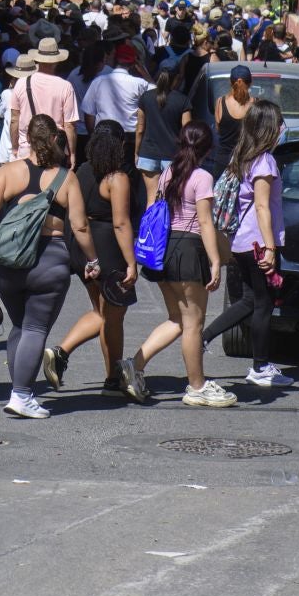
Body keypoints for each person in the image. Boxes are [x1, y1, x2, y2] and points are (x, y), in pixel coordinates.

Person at [0, 114, 99, 419]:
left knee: (20, 326)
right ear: (54, 140)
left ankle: (20, 390)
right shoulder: (67, 178)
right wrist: (93, 260)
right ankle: (22, 394)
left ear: (26, 139)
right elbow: (80, 227)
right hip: (51, 261)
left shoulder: (9, 172)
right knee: (36, 328)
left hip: (10, 263)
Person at [120, 121, 234, 406]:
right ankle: (197, 386)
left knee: (177, 319)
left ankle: (135, 365)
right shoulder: (202, 177)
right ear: (208, 149)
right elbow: (206, 223)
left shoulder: (168, 172)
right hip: (188, 249)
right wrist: (217, 261)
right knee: (194, 323)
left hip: (164, 250)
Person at [42, 121, 140, 396]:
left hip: (82, 246)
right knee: (114, 316)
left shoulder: (81, 171)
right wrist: (131, 262)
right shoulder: (116, 178)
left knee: (102, 312)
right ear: (120, 145)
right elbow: (121, 223)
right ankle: (110, 378)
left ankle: (68, 355)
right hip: (108, 245)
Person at [201, 100, 294, 389]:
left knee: (250, 300)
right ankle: (261, 366)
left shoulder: (242, 156)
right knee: (262, 305)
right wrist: (270, 247)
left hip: (241, 240)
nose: (283, 129)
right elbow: (262, 207)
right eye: (280, 124)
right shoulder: (265, 162)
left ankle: (204, 338)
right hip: (257, 241)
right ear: (270, 128)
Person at [9, 36, 81, 169]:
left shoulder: (21, 83)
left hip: (27, 149)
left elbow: (14, 120)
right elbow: (69, 125)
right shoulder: (65, 86)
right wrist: (72, 153)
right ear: (56, 61)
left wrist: (14, 147)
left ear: (37, 59)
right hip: (54, 150)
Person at [81, 44, 148, 133]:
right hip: (130, 138)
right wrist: (144, 72)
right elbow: (156, 95)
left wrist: (93, 135)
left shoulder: (98, 82)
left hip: (103, 134)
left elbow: (89, 114)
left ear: (114, 60)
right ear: (133, 64)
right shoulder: (140, 84)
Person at [211, 64, 256, 172]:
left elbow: (218, 129)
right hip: (246, 162)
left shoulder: (220, 102)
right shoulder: (256, 104)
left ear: (230, 82)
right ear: (250, 83)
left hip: (223, 161)